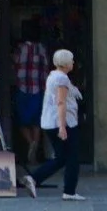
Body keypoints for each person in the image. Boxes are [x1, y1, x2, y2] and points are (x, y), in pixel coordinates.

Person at [32, 49, 85, 200]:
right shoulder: (61, 79)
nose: (73, 63)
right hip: (63, 123)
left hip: (51, 122)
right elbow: (61, 103)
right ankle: (69, 191)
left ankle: (34, 179)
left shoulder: (53, 76)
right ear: (66, 63)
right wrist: (62, 126)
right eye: (71, 60)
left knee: (62, 157)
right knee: (72, 157)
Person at [11, 20, 47, 179]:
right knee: (36, 122)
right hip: (37, 89)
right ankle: (35, 144)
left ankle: (31, 143)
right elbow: (45, 69)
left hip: (22, 88)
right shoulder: (42, 49)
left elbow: (14, 65)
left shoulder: (20, 49)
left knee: (21, 122)